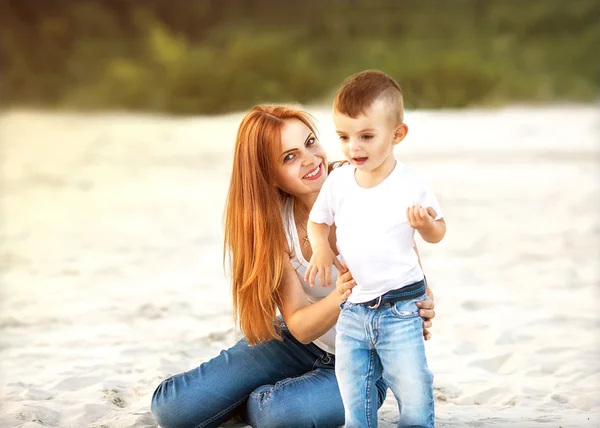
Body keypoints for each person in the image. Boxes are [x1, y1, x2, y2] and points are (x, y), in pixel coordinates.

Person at [150, 104, 437, 428]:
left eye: (310, 142)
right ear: (268, 175)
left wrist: (422, 302)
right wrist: (345, 292)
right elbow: (299, 325)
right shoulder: (272, 224)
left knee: (276, 414)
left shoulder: (365, 182)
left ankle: (258, 400)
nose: (311, 159)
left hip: (366, 356)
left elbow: (413, 270)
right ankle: (251, 391)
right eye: (289, 157)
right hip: (296, 343)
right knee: (173, 410)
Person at [306, 71, 446, 427]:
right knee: (354, 389)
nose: (354, 147)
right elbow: (318, 221)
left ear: (397, 134)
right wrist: (321, 248)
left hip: (401, 307)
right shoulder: (338, 182)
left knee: (412, 387)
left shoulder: (411, 183)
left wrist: (426, 225)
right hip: (353, 309)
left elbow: (438, 232)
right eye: (344, 136)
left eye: (367, 136)